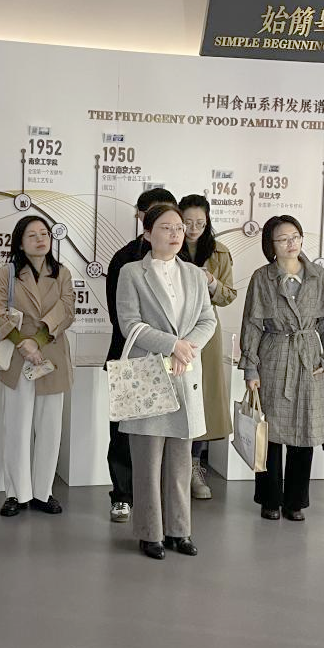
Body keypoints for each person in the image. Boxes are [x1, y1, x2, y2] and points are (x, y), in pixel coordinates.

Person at [115, 204, 216, 560]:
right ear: (147, 233)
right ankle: (150, 533)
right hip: (149, 373)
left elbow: (208, 320)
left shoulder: (194, 274)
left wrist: (186, 348)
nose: (175, 234)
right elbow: (130, 323)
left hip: (184, 372)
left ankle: (179, 530)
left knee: (180, 461)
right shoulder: (132, 272)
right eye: (166, 227)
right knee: (147, 461)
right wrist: (172, 344)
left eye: (179, 228)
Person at [239, 216, 324, 521]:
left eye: (295, 236)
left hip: (308, 357)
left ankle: (295, 501)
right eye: (283, 239)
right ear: (271, 245)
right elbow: (252, 324)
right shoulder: (262, 277)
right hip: (274, 355)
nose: (291, 243)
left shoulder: (317, 275)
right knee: (269, 431)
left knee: (304, 431)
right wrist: (251, 368)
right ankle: (269, 499)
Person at [0, 216, 75, 517]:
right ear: (19, 242)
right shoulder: (7, 273)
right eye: (32, 235)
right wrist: (23, 342)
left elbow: (68, 310)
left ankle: (43, 492)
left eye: (44, 234)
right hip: (19, 355)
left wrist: (38, 340)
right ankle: (16, 494)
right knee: (16, 427)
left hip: (51, 353)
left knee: (50, 427)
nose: (41, 239)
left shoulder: (62, 272)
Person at [104, 186, 176, 522]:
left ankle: (161, 500)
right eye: (158, 218)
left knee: (168, 432)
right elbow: (121, 318)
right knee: (125, 431)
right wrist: (158, 340)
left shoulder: (184, 263)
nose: (170, 228)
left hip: (174, 361)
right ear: (142, 219)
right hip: (132, 356)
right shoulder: (125, 260)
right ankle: (122, 495)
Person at [178, 194, 236, 499]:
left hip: (205, 333)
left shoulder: (219, 252)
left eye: (200, 223)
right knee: (173, 398)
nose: (192, 229)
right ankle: (170, 469)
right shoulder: (166, 244)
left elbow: (227, 296)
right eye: (187, 222)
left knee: (201, 400)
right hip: (171, 331)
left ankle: (194, 466)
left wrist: (212, 281)